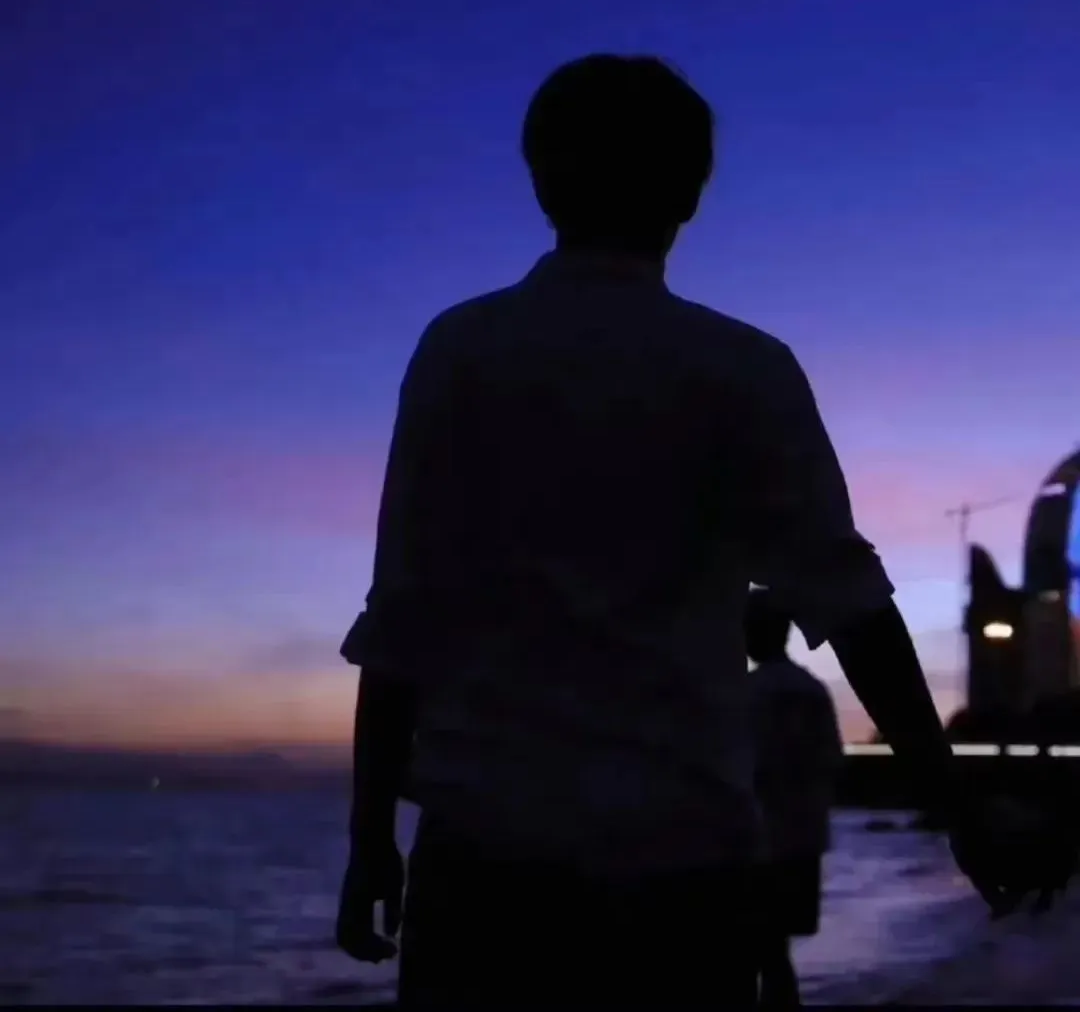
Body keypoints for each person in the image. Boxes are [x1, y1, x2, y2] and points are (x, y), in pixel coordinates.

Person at [335, 53, 1071, 1008]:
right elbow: (850, 605)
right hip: (683, 854)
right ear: (689, 195)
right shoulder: (743, 370)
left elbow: (403, 615)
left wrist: (369, 840)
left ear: (541, 180)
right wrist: (959, 805)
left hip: (485, 854)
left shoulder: (459, 351)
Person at [747, 588, 844, 1008]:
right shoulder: (812, 689)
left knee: (757, 944)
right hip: (805, 832)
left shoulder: (747, 693)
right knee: (777, 945)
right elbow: (832, 758)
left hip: (755, 834)